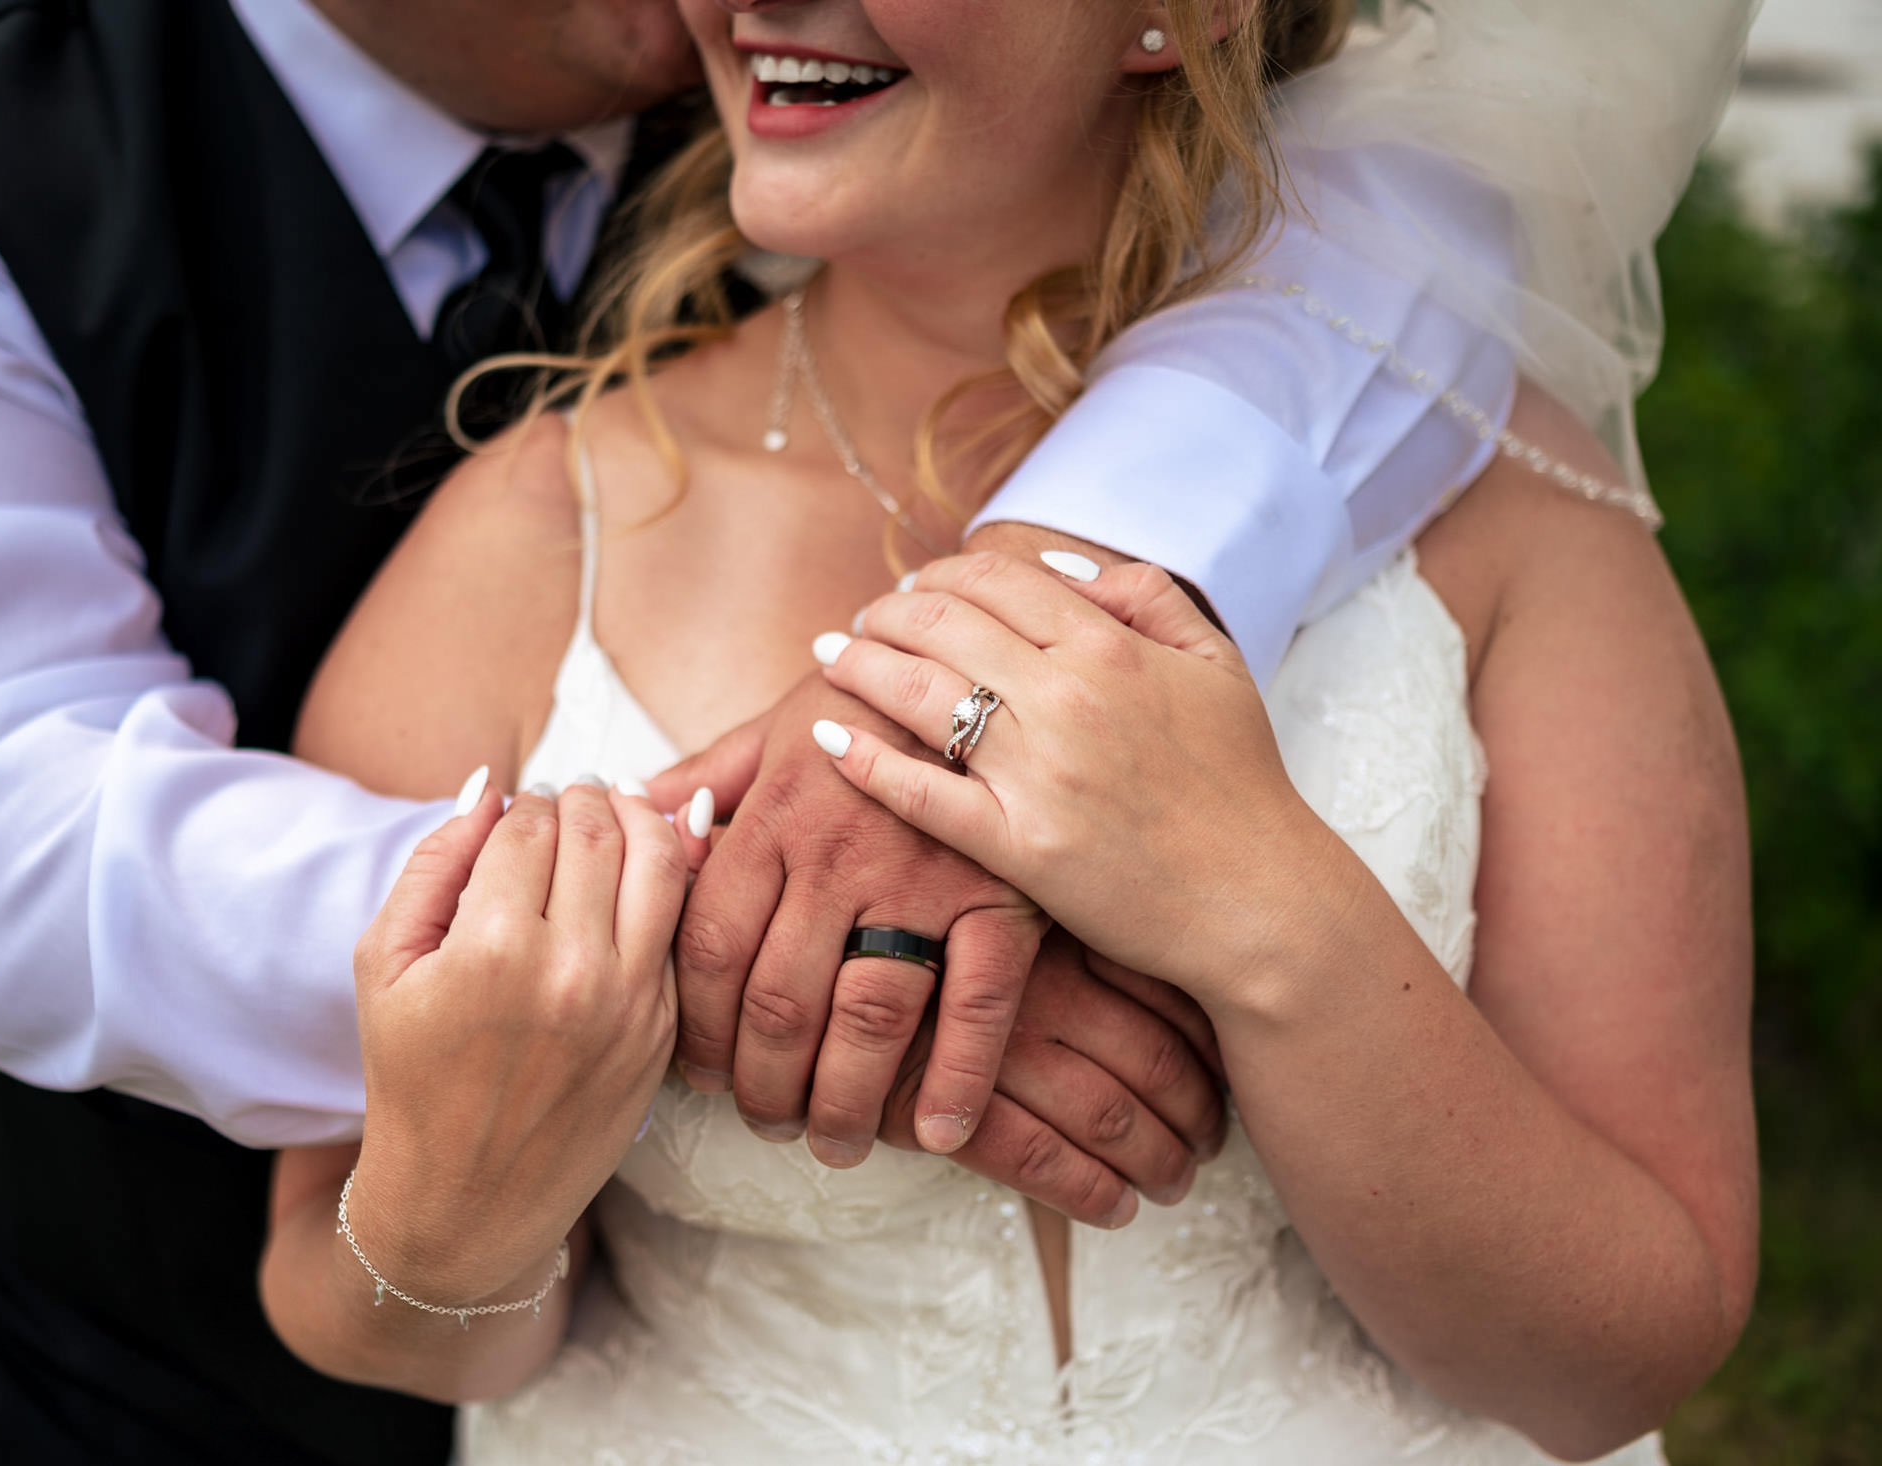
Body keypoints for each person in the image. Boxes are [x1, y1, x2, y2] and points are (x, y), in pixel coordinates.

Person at [0, 0, 1560, 1459]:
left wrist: (988, 648)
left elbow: (1415, 217)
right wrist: (758, 920)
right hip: (160, 1389)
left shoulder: (856, 98)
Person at [258, 0, 1757, 1459]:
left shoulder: (1500, 509)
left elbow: (1613, 1368)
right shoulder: (533, 536)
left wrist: (1269, 918)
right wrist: (452, 1218)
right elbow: (346, 1297)